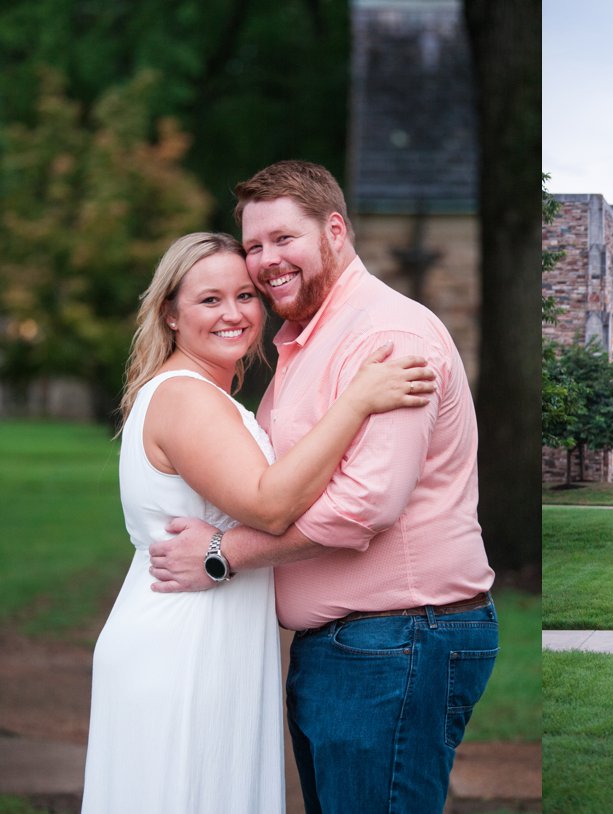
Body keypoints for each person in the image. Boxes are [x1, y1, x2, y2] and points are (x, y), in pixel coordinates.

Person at [148, 161, 498, 813]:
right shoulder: (311, 341)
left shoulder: (388, 337)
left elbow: (367, 504)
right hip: (356, 649)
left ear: (335, 231)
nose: (265, 260)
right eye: (254, 246)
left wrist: (223, 555)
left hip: (398, 639)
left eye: (284, 239)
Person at [82, 232, 436, 814]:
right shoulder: (185, 396)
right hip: (182, 646)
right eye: (209, 300)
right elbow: (270, 505)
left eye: (245, 296)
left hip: (210, 636)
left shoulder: (205, 396)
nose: (234, 314)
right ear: (170, 312)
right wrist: (358, 401)